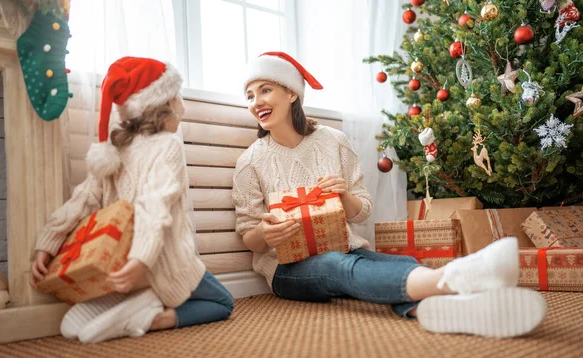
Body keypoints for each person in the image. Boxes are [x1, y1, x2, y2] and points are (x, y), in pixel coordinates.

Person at [232, 51, 546, 338]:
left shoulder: (333, 141)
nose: (255, 101)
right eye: (249, 95)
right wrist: (267, 233)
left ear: (291, 93)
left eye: (265, 90)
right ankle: (454, 278)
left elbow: (362, 209)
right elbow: (249, 236)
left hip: (345, 249)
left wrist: (344, 198)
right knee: (334, 266)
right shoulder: (250, 162)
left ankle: (438, 310)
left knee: (397, 262)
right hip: (285, 271)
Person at [30, 57, 234, 343]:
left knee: (156, 287)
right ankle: (153, 315)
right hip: (160, 264)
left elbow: (84, 200)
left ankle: (126, 299)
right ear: (164, 105)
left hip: (118, 264)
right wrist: (142, 260)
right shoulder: (167, 146)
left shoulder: (115, 149)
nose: (183, 105)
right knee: (224, 302)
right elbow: (154, 207)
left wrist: (47, 243)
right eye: (178, 96)